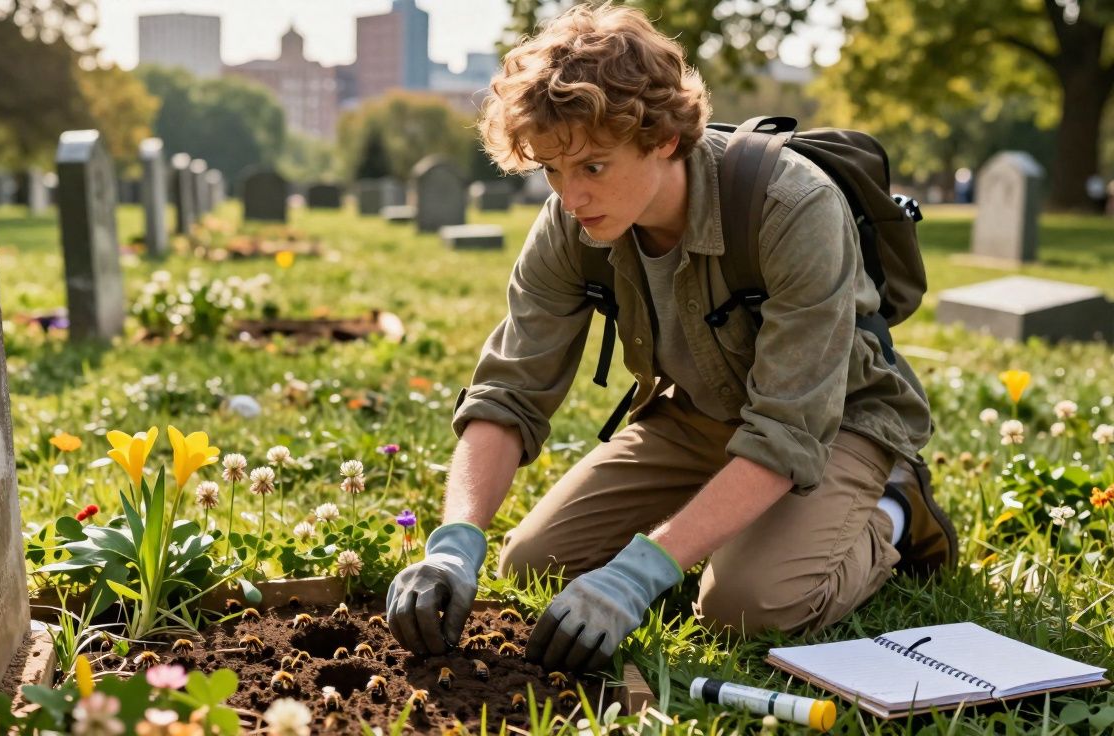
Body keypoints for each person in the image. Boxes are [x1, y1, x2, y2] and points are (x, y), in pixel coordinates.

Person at [385, 2, 956, 674]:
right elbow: (508, 391)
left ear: (661, 138)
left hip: (835, 425)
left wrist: (639, 573)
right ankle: (726, 518)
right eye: (553, 171)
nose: (570, 198)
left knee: (744, 603)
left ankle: (892, 509)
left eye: (593, 167)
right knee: (532, 563)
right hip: (698, 415)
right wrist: (453, 542)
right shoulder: (572, 222)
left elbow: (787, 430)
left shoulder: (792, 208)